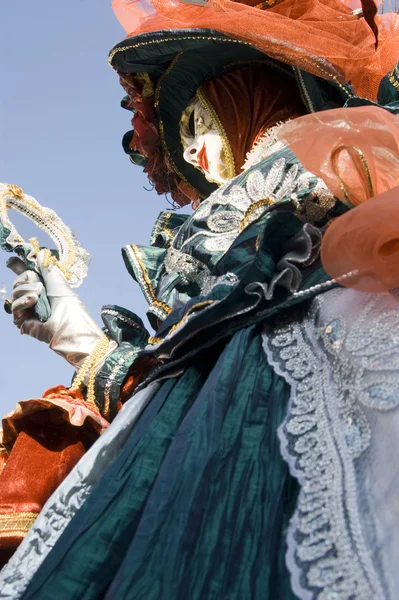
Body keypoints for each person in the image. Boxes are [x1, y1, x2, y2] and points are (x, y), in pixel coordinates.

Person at [1, 0, 399, 598]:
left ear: (252, 94)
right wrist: (73, 333)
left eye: (197, 122)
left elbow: (207, 333)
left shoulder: (314, 166)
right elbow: (184, 354)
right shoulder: (244, 224)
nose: (190, 155)